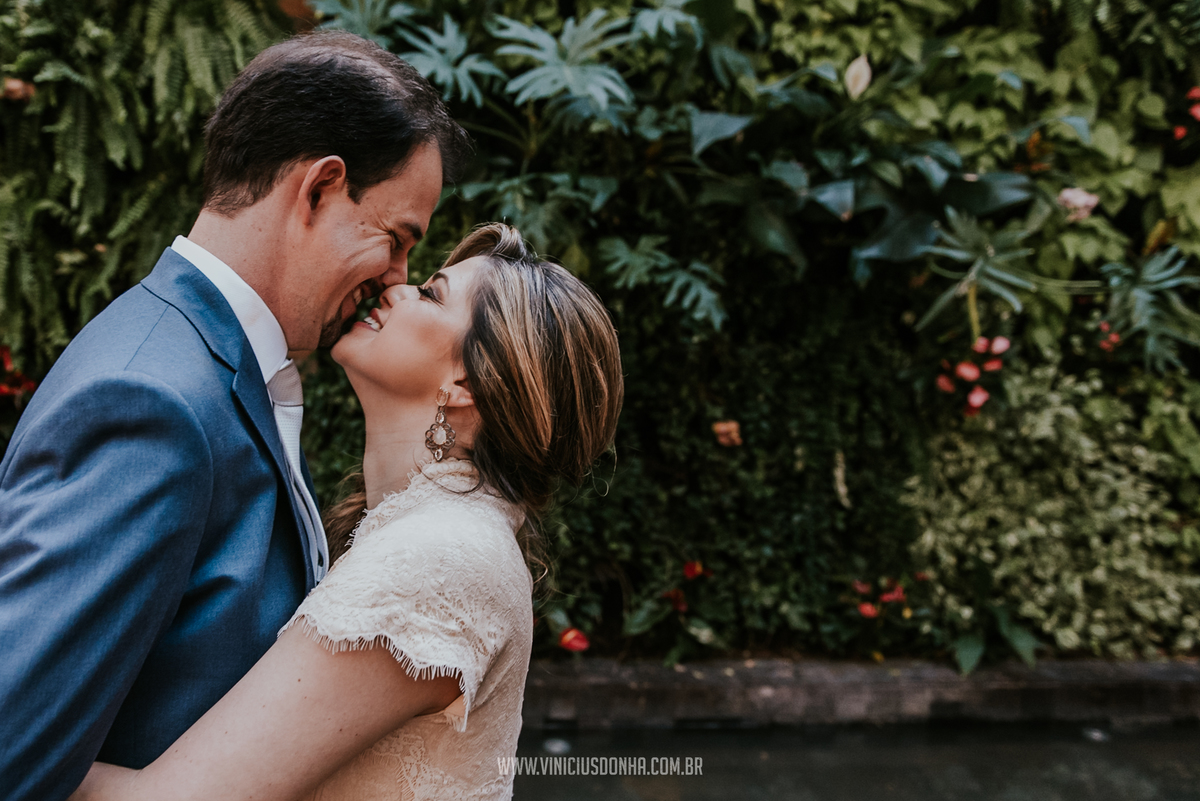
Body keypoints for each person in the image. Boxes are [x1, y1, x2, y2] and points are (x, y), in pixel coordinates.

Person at [0, 31, 470, 801]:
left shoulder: (227, 369)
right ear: (319, 188)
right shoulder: (154, 404)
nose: (398, 279)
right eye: (397, 239)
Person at [69, 222, 625, 801]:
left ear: (469, 382)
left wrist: (22, 747)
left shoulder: (438, 560)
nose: (396, 287)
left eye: (432, 293)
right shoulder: (431, 532)